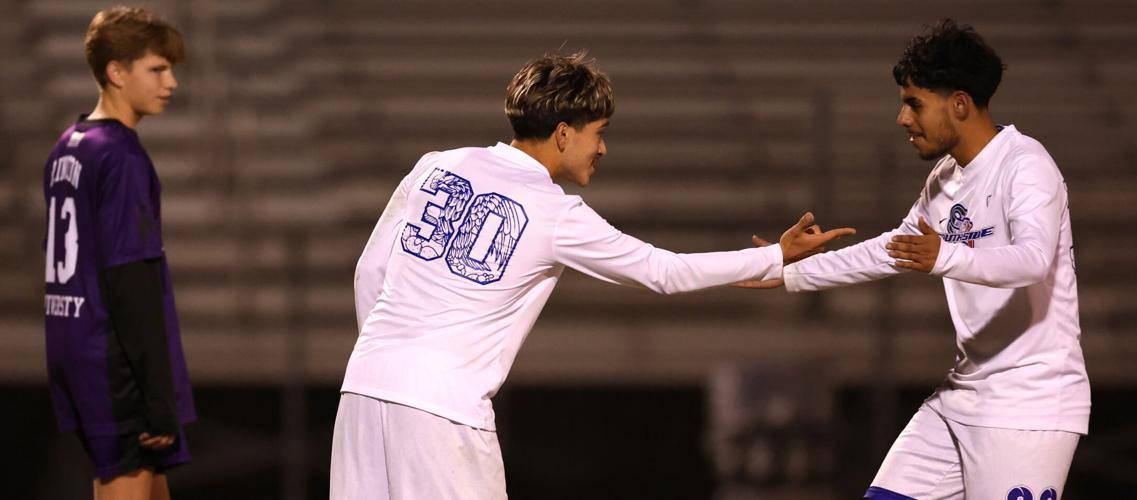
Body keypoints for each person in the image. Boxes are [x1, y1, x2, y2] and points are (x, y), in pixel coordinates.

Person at [331, 51, 854, 499]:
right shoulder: (555, 212)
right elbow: (662, 271)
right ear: (563, 134)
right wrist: (775, 256)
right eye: (598, 133)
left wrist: (387, 365)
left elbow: (369, 271)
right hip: (442, 413)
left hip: (362, 390)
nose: (602, 148)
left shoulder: (435, 164)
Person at [772, 19, 1088, 499]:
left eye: (914, 103)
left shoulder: (1026, 165)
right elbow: (892, 250)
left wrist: (946, 255)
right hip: (964, 395)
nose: (902, 119)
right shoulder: (946, 178)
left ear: (959, 104)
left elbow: (1033, 261)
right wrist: (782, 272)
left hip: (1029, 406)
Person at [42, 6, 195, 499]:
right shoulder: (121, 156)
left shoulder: (69, 144)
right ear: (116, 72)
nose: (170, 81)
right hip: (114, 361)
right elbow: (131, 283)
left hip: (75, 344)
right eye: (157, 68)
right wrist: (159, 395)